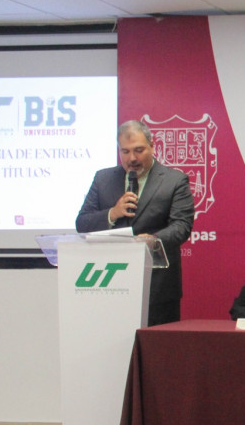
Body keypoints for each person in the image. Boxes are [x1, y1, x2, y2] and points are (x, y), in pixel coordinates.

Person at [75, 119, 194, 326]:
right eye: (125, 151)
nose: (132, 158)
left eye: (139, 150)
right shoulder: (103, 179)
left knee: (156, 345)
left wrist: (154, 240)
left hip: (157, 288)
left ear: (152, 146)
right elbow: (82, 223)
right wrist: (112, 213)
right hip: (109, 284)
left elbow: (181, 226)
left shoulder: (175, 181)